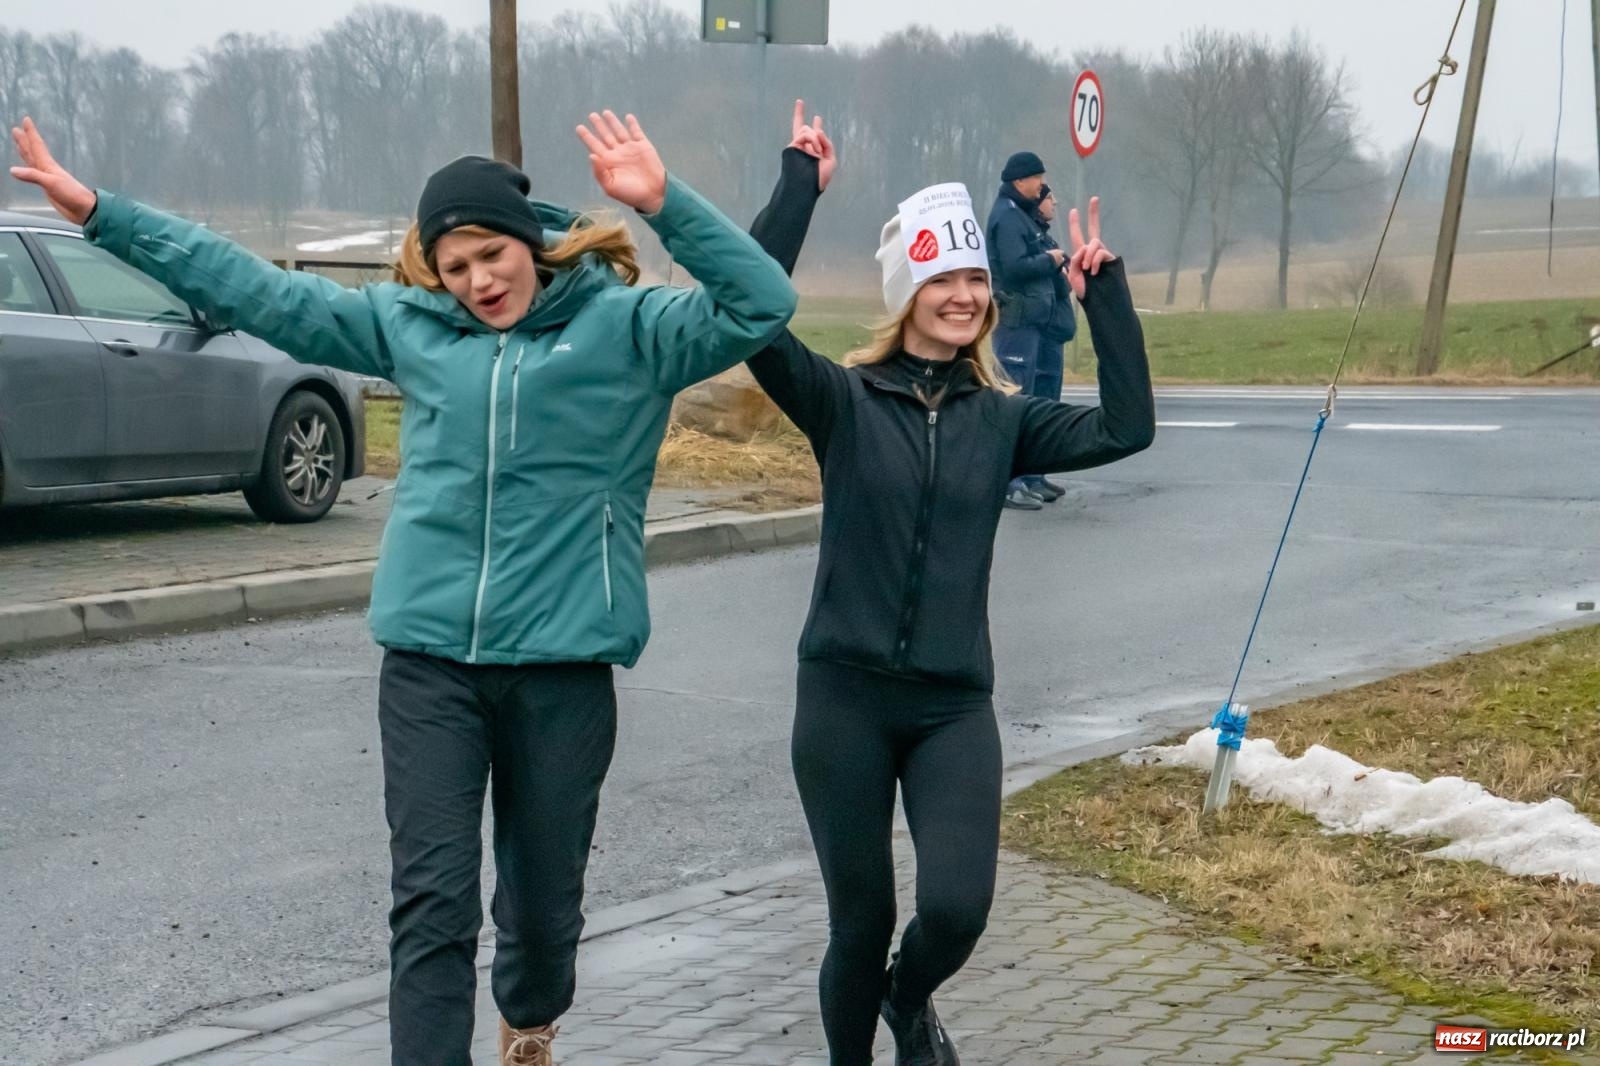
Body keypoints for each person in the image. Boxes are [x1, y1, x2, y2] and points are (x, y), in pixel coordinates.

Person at [9, 111, 796, 1066]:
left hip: (563, 668)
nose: (479, 282)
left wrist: (665, 202)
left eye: (492, 255)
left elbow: (761, 304)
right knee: (432, 899)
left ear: (532, 241)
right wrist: (102, 214)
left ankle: (531, 1020)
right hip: (429, 668)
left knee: (543, 911)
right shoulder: (409, 329)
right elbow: (251, 288)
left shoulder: (628, 331)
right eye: (455, 267)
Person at [746, 103, 1154, 1065]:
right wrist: (798, 186)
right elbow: (752, 318)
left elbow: (1126, 429)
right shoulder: (841, 401)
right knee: (860, 918)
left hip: (951, 707)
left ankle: (908, 996)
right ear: (908, 292)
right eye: (943, 277)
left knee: (958, 909)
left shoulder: (1002, 419)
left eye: (975, 277)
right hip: (842, 700)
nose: (964, 294)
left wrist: (1108, 302)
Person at [985, 150, 1072, 510]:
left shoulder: (1023, 217)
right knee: (1017, 399)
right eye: (1038, 177)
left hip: (1037, 322)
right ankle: (1009, 481)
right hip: (1016, 322)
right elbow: (1014, 267)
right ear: (1021, 180)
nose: (1042, 184)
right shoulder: (1007, 218)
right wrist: (1050, 261)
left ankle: (1033, 474)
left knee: (1037, 401)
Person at [1026, 183, 1077, 501]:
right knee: (1036, 400)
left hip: (1054, 331)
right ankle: (1025, 476)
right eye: (1049, 198)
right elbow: (1055, 284)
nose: (1054, 203)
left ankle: (1037, 474)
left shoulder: (1046, 238)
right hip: (1041, 330)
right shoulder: (1034, 240)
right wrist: (1057, 268)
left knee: (1049, 404)